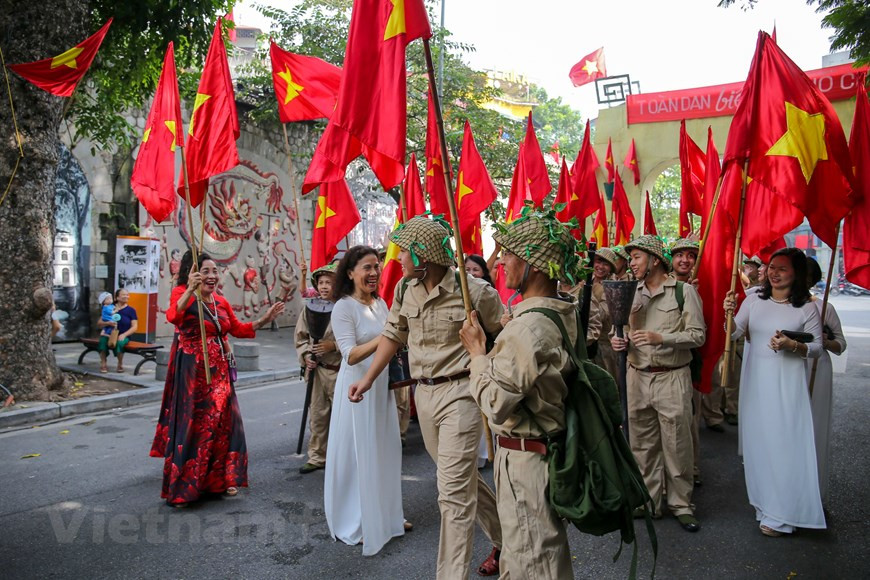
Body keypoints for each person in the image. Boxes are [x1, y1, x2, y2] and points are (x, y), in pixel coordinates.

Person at [348, 216, 504, 578]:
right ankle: (507, 538)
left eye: (403, 250)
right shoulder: (405, 289)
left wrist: (489, 366)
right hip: (426, 396)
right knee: (460, 479)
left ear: (424, 254)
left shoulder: (474, 291)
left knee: (451, 492)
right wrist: (369, 380)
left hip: (463, 394)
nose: (397, 257)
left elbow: (506, 332)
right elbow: (393, 335)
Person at [460, 210, 581, 578]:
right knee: (527, 555)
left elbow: (495, 403)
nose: (503, 262)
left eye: (511, 253)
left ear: (536, 265)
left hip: (527, 460)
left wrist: (478, 354)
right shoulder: (557, 314)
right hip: (540, 454)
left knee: (533, 562)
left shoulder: (528, 328)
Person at [149, 254, 284, 507]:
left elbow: (237, 329)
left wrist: (265, 319)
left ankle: (221, 480)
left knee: (221, 426)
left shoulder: (220, 302)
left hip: (220, 374)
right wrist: (189, 289)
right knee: (194, 426)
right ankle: (185, 488)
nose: (212, 276)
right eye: (206, 271)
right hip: (192, 373)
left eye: (215, 271)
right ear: (193, 273)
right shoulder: (182, 292)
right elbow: (172, 317)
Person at [724, 248, 825, 536]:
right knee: (759, 443)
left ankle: (783, 514)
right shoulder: (754, 298)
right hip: (756, 381)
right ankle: (765, 504)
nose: (774, 272)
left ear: (797, 273)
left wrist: (792, 345)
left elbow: (817, 348)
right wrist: (728, 313)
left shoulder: (806, 307)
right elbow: (734, 333)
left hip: (787, 385)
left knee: (784, 444)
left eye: (782, 268)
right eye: (771, 267)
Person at [611, 235, 705, 532]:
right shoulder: (630, 292)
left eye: (637, 257)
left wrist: (660, 338)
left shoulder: (683, 292)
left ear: (654, 260)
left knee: (677, 444)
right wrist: (618, 340)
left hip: (672, 375)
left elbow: (697, 335)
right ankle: (649, 501)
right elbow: (622, 328)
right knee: (642, 444)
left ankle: (681, 504)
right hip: (637, 375)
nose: (632, 264)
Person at [324, 246, 406, 555]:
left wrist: (394, 340)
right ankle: (355, 522)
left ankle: (386, 516)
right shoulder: (344, 307)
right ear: (350, 272)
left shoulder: (381, 303)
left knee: (384, 450)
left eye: (377, 267)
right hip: (356, 387)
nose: (374, 273)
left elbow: (391, 342)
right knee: (358, 455)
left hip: (379, 385)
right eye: (367, 267)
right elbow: (350, 353)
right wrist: (388, 337)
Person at [805, 258, 846, 501]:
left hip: (817, 370)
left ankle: (814, 491)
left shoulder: (824, 308)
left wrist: (824, 340)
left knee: (814, 426)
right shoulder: (780, 305)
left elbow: (840, 345)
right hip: (789, 370)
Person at [295, 263, 340, 474]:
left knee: (342, 417)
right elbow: (301, 337)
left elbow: (358, 339)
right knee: (318, 416)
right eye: (321, 282)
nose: (324, 286)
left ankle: (342, 456)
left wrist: (334, 345)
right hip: (318, 371)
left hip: (339, 370)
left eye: (329, 282)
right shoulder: (310, 307)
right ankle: (317, 456)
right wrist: (306, 356)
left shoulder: (344, 307)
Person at [97, 289, 139, 373]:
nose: (126, 296)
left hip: (123, 334)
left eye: (127, 295)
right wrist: (107, 323)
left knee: (120, 343)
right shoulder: (110, 308)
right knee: (102, 341)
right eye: (123, 295)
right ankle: (103, 363)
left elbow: (134, 327)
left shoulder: (131, 310)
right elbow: (99, 323)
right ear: (117, 297)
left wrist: (124, 335)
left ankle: (120, 363)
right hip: (110, 334)